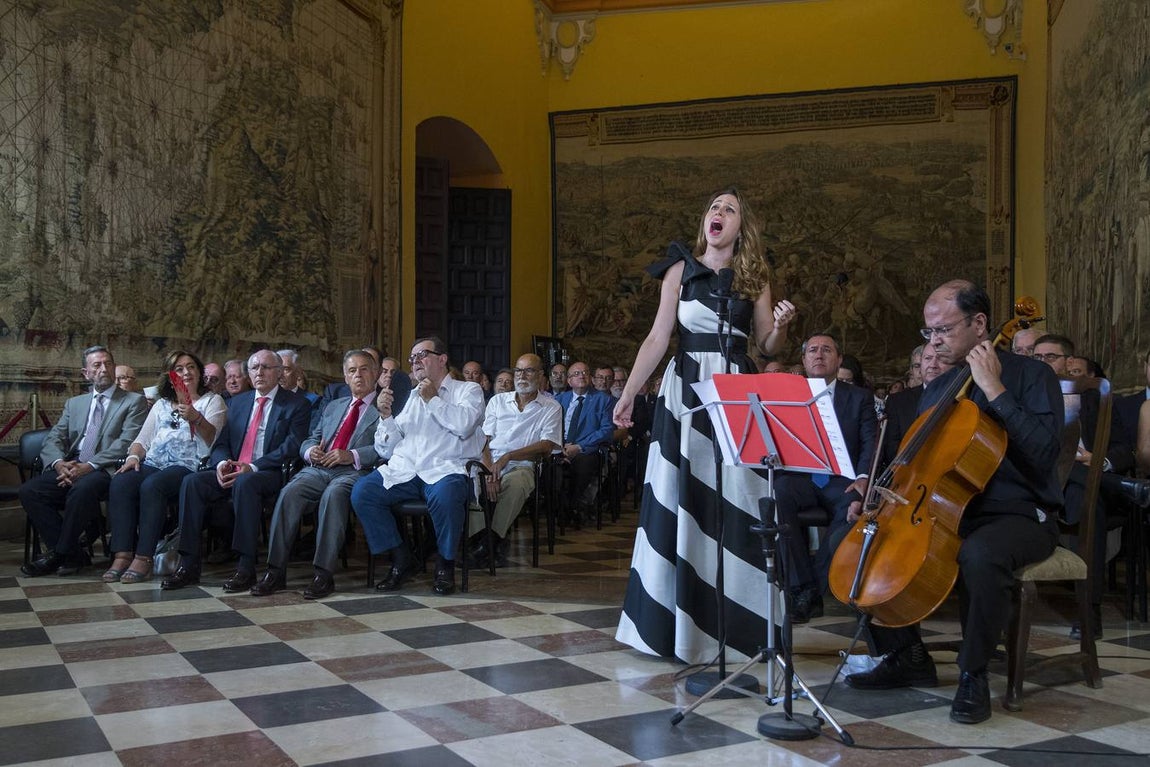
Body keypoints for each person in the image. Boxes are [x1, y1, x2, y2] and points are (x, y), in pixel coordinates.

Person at [841, 279, 1063, 726]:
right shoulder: (939, 387)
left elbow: (1043, 454)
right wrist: (881, 492)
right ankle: (906, 655)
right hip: (945, 508)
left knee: (980, 554)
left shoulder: (1030, 375)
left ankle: (973, 674)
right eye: (929, 333)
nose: (934, 341)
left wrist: (995, 390)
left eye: (943, 329)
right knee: (864, 543)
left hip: (1016, 513)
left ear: (980, 324)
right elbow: (923, 467)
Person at [612, 186, 795, 662]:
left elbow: (766, 344)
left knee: (738, 499)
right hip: (687, 387)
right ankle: (669, 627)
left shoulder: (754, 275)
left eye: (729, 209)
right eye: (713, 206)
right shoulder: (679, 270)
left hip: (735, 387)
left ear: (741, 227)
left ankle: (739, 625)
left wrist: (782, 325)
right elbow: (657, 337)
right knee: (680, 496)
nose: (718, 213)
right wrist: (630, 392)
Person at [161, 349, 311, 591]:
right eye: (254, 368)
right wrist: (221, 464)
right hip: (234, 468)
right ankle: (188, 565)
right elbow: (221, 443)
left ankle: (246, 567)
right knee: (192, 482)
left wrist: (251, 467)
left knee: (245, 483)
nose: (259, 372)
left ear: (279, 372)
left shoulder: (296, 404)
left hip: (269, 471)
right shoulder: (238, 402)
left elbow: (292, 446)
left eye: (266, 367)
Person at [350, 337, 485, 596]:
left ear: (442, 359)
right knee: (363, 492)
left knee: (448, 495)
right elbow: (386, 450)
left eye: (422, 355)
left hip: (445, 469)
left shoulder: (467, 391)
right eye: (412, 359)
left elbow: (464, 425)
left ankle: (445, 565)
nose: (415, 362)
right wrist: (386, 417)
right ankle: (402, 558)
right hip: (406, 471)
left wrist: (434, 400)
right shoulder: (408, 397)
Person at [251, 350, 384, 599]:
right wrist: (310, 450)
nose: (358, 375)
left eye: (364, 369)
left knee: (333, 496)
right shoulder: (335, 406)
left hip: (356, 471)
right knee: (290, 491)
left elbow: (387, 447)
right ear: (345, 377)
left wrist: (352, 455)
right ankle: (275, 571)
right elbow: (311, 436)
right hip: (320, 467)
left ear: (375, 374)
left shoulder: (385, 408)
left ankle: (323, 575)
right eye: (352, 370)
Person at [20, 346, 148, 576]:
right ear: (85, 373)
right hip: (71, 464)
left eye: (108, 363)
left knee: (81, 489)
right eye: (96, 365)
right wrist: (59, 463)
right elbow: (54, 437)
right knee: (30, 491)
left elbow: (125, 441)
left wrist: (88, 466)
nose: (103, 369)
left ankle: (59, 554)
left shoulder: (132, 401)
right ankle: (73, 553)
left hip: (106, 468)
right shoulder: (75, 403)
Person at [105, 351, 227, 583]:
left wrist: (196, 418)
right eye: (179, 369)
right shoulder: (161, 404)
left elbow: (214, 439)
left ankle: (144, 556)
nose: (186, 373)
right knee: (122, 481)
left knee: (153, 486)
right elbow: (142, 440)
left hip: (189, 465)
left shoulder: (212, 401)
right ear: (171, 377)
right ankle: (122, 554)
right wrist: (133, 458)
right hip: (154, 462)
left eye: (191, 367)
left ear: (200, 373)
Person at [466, 353, 562, 568]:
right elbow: (484, 440)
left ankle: (489, 544)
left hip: (522, 464)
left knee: (516, 484)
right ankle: (480, 541)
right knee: (471, 482)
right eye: (518, 370)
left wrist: (509, 456)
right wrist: (491, 470)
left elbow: (547, 446)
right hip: (489, 462)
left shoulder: (551, 406)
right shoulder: (497, 402)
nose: (522, 375)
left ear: (540, 375)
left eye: (529, 371)